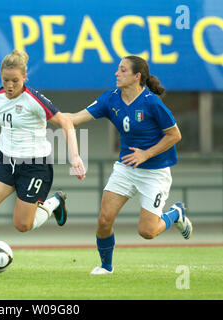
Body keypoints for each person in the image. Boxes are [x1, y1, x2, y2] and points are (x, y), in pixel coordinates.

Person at [0, 49, 86, 277]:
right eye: (5, 80)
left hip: (35, 166)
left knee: (23, 225)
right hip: (6, 161)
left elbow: (66, 123)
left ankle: (56, 201)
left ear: (25, 78)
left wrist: (75, 156)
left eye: (15, 80)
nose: (9, 85)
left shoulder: (34, 100)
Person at [65, 55, 193, 275]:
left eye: (122, 70)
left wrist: (146, 154)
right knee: (104, 220)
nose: (116, 73)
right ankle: (106, 266)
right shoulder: (110, 99)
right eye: (117, 69)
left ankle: (176, 214)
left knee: (148, 231)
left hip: (154, 173)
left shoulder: (152, 102)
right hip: (125, 168)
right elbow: (74, 119)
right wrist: (45, 113)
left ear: (137, 76)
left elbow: (174, 135)